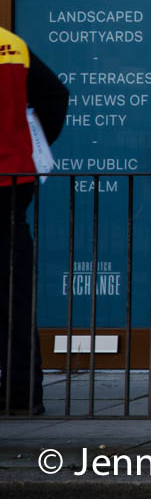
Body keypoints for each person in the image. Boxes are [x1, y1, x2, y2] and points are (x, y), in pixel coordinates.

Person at [0, 27, 67, 415]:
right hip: (12, 181)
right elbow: (56, 96)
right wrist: (31, 148)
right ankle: (22, 393)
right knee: (15, 294)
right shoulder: (12, 45)